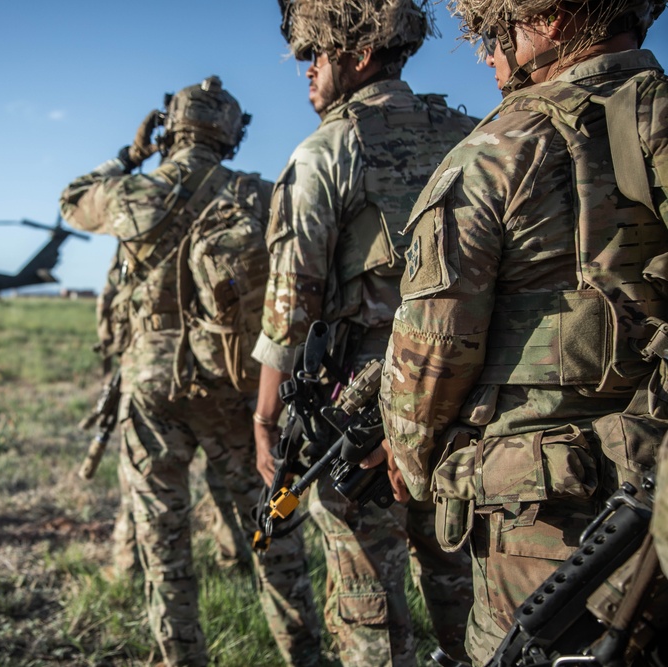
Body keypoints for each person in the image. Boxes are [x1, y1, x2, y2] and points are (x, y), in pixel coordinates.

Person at [378, 0, 668, 662]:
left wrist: (413, 461)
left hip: (557, 535)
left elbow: (430, 359)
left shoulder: (502, 148)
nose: (487, 53)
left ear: (555, 16)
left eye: (496, 30)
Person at [60, 76, 322, 667]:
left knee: (165, 544)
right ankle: (304, 656)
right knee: (273, 534)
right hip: (235, 387)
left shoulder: (131, 193)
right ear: (230, 133)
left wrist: (133, 153)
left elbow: (71, 198)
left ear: (172, 127)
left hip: (150, 390)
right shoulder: (256, 193)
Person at [251, 1, 478, 664]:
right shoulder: (475, 133)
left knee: (371, 609)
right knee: (470, 594)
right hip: (468, 405)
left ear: (353, 54)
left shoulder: (327, 151)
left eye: (313, 57)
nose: (307, 74)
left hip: (361, 416)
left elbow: (292, 305)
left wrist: (266, 417)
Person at [92, 244, 252, 577]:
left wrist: (116, 353)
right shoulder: (228, 220)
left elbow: (110, 305)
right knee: (233, 475)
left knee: (144, 480)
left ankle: (129, 563)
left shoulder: (143, 231)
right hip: (226, 368)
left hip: (151, 369)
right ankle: (236, 557)